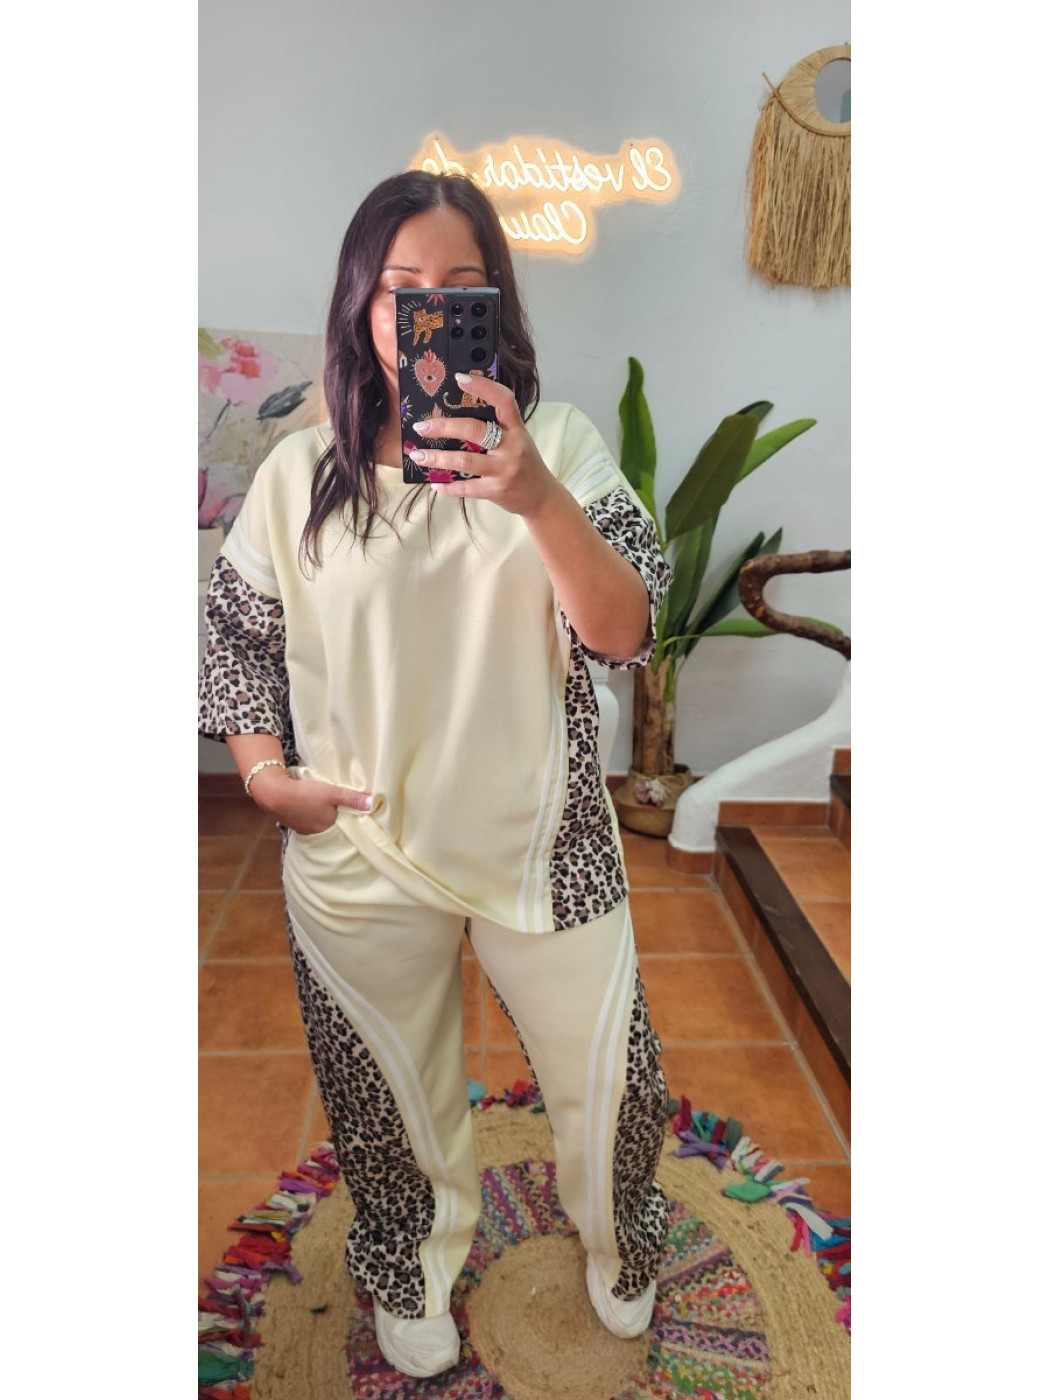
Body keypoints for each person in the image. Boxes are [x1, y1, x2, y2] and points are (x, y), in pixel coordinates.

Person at [198, 170, 675, 1380]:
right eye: (403, 289)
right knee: (385, 1096)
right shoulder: (297, 475)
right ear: (362, 305)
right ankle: (409, 1264)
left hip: (546, 841)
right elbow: (238, 642)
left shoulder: (562, 448)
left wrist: (533, 494)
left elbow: (625, 631)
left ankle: (623, 1244)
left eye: (461, 289)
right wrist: (265, 777)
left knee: (616, 1082)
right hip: (359, 848)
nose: (429, 313)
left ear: (493, 306)